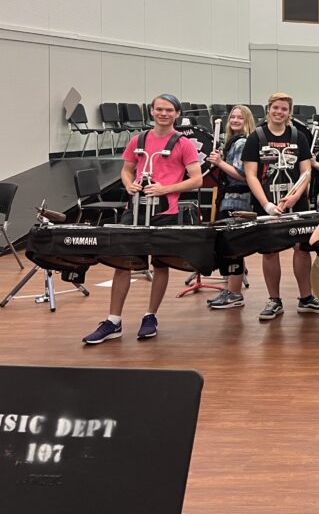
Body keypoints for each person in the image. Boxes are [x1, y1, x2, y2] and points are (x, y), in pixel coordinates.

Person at [83, 94, 203, 344]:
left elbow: (196, 179)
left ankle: (150, 316)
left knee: (160, 265)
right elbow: (126, 170)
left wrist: (165, 189)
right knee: (122, 264)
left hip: (165, 212)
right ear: (152, 112)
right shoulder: (139, 140)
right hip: (134, 210)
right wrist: (129, 185)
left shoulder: (184, 143)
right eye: (159, 109)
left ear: (177, 114)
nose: (163, 113)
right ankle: (113, 320)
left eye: (169, 110)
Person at [243, 92, 319, 321]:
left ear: (289, 112)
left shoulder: (298, 136)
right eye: (276, 108)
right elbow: (251, 175)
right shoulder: (256, 137)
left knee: (301, 249)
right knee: (270, 252)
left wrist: (295, 196)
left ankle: (306, 298)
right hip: (267, 202)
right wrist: (266, 204)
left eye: (284, 109)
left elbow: (306, 171)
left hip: (296, 202)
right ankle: (274, 299)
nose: (279, 112)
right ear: (269, 109)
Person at [207, 104, 256, 310]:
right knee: (231, 246)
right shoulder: (232, 142)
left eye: (240, 118)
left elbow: (242, 175)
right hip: (229, 198)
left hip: (237, 199)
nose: (235, 120)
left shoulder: (242, 143)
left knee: (233, 247)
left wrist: (219, 162)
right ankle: (231, 289)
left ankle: (234, 294)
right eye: (233, 117)